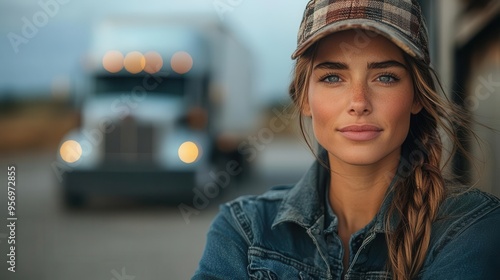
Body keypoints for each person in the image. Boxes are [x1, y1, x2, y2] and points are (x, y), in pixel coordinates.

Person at [192, 0, 500, 279]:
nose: (358, 101)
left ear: (417, 96)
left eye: (386, 77)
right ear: (304, 99)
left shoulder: (470, 227)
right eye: (332, 77)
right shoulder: (243, 230)